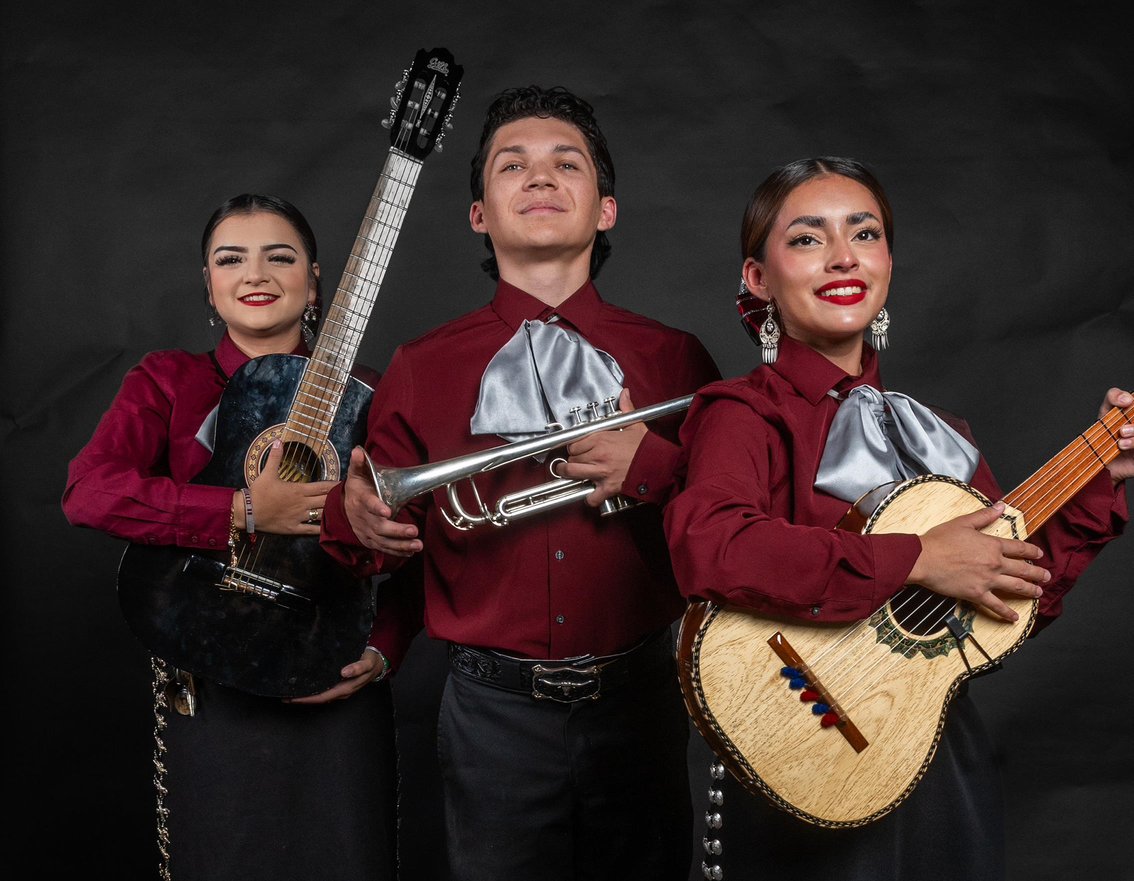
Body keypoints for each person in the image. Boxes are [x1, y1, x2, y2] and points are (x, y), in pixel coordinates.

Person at [663, 158, 1134, 879]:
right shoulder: (743, 412)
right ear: (758, 279)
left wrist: (1100, 481)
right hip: (797, 752)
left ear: (887, 263)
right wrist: (914, 558)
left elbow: (1004, 604)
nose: (844, 255)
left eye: (865, 233)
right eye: (809, 239)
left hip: (936, 758)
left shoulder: (939, 431)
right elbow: (711, 547)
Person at [319, 86, 721, 881]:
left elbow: (726, 528)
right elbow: (375, 527)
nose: (540, 177)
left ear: (605, 209)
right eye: (514, 165)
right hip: (491, 715)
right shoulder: (421, 364)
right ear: (479, 214)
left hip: (641, 697)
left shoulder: (675, 358)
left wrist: (648, 466)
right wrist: (351, 514)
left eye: (565, 163)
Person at [62, 194, 418, 881]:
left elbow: (423, 542)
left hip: (333, 678)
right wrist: (242, 510)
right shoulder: (169, 380)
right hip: (210, 679)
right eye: (231, 258)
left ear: (315, 281)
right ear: (209, 282)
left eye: (279, 256)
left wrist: (383, 650)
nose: (255, 273)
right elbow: (89, 491)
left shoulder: (372, 394)